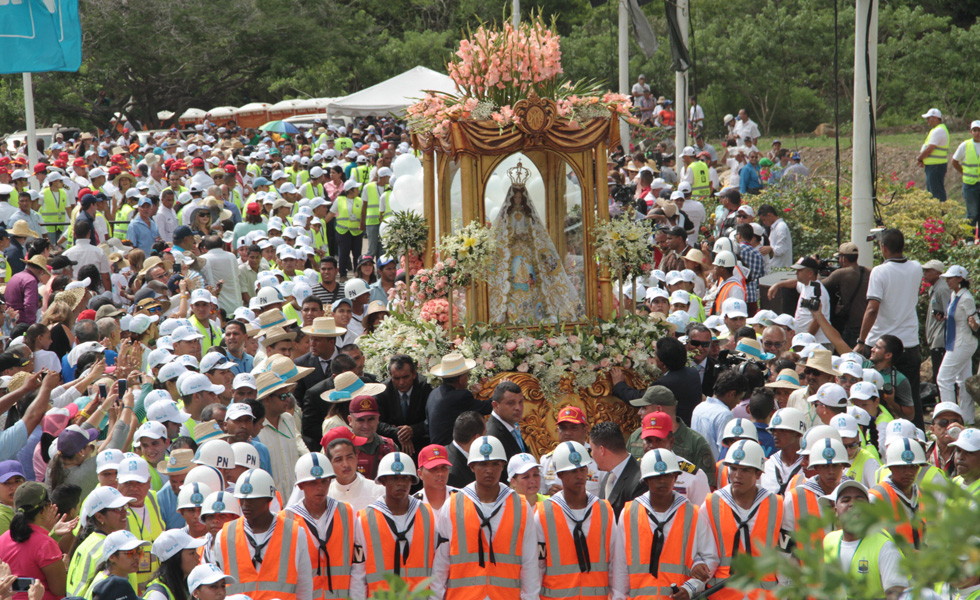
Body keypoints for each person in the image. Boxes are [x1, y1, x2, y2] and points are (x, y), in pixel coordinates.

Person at [430, 435, 540, 600]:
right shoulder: (453, 505)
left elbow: (530, 562)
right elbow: (441, 562)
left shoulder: (521, 507)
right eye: (483, 464)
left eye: (495, 463)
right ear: (472, 466)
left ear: (503, 465)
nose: (489, 470)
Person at [620, 448, 716, 599]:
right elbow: (620, 566)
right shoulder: (629, 513)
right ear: (645, 480)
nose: (662, 481)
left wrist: (690, 588)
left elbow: (710, 557)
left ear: (676, 477)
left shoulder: (693, 514)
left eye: (667, 475)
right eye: (656, 477)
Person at [536, 441, 623, 599]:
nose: (579, 475)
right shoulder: (544, 513)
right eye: (572, 471)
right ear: (560, 474)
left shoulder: (604, 510)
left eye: (582, 469)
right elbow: (536, 567)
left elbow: (615, 562)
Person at [855, 228, 924, 427]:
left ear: (883, 248)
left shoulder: (880, 271)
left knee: (872, 394)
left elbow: (872, 309)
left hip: (880, 342)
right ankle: (917, 438)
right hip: (909, 343)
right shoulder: (916, 267)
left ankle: (873, 433)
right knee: (911, 398)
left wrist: (861, 341)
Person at [214, 468, 316, 600]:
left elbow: (304, 586)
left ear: (268, 499)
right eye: (242, 499)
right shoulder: (224, 536)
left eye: (252, 499)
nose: (246, 505)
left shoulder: (295, 533)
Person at [702, 439, 782, 600]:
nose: (737, 476)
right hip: (722, 593)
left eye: (745, 470)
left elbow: (785, 554)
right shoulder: (712, 503)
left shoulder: (776, 503)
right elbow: (701, 550)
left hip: (764, 594)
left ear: (758, 473)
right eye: (733, 469)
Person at [350, 453, 436, 599]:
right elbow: (358, 573)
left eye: (405, 478)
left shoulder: (427, 514)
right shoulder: (364, 520)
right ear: (383, 480)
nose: (401, 483)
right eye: (395, 478)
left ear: (412, 480)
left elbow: (436, 565)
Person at [821, 480, 908, 600]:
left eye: (860, 500)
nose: (852, 504)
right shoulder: (829, 540)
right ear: (835, 511)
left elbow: (898, 595)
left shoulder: (885, 547)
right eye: (846, 500)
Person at [285, 453, 355, 600]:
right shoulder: (286, 519)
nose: (320, 487)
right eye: (313, 483)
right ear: (301, 485)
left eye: (324, 481)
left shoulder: (346, 513)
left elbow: (358, 564)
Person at [0, 482, 67, 600]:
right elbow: (60, 589)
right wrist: (65, 569)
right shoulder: (46, 544)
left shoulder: (2, 539)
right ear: (44, 509)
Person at [936, 265, 978, 423]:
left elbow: (974, 321)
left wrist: (975, 324)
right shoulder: (955, 295)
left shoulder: (966, 298)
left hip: (963, 343)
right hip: (956, 342)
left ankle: (949, 418)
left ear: (960, 279)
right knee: (963, 380)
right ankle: (967, 418)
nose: (947, 281)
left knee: (943, 378)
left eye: (950, 278)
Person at [425, 353, 490, 447]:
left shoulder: (433, 393)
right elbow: (487, 408)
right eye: (467, 376)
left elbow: (427, 426)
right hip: (451, 453)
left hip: (437, 451)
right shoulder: (460, 396)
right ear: (461, 379)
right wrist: (500, 390)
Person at [870, 439, 926, 549]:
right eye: (901, 467)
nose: (908, 472)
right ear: (890, 467)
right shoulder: (877, 495)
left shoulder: (920, 493)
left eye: (913, 467)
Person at [375, 354, 432, 459]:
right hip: (393, 446)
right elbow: (376, 422)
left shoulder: (426, 387)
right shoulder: (382, 391)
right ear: (390, 376)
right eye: (396, 378)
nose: (401, 383)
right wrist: (399, 433)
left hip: (422, 443)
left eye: (405, 377)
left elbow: (432, 419)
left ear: (414, 374)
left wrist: (413, 430)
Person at [767, 256, 832, 345]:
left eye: (799, 271)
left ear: (810, 273)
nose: (796, 273)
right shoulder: (806, 284)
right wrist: (778, 285)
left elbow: (817, 320)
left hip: (817, 342)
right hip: (807, 341)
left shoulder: (817, 292)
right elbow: (795, 283)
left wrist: (806, 340)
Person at [323, 428, 384, 514]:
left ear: (356, 457)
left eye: (349, 457)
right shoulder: (325, 496)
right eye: (339, 460)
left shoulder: (378, 492)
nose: (346, 464)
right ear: (329, 463)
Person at [590, 422, 645, 517]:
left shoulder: (640, 480)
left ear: (602, 450)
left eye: (592, 449)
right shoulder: (608, 477)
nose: (591, 454)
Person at [691, 369, 745, 460]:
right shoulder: (725, 415)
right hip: (715, 469)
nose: (738, 403)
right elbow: (724, 449)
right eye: (739, 398)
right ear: (732, 394)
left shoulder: (699, 407)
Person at [82, 530, 149, 599]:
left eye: (139, 552)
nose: (137, 557)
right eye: (130, 553)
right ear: (112, 557)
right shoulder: (101, 586)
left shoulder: (130, 574)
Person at [144, 530, 207, 600]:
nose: (198, 556)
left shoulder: (184, 586)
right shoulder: (157, 595)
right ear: (175, 558)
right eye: (192, 553)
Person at [760, 407, 807, 495]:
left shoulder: (808, 466)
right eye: (773, 431)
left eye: (782, 430)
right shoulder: (767, 466)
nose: (776, 435)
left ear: (798, 433)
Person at [486, 380, 528, 462]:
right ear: (496, 406)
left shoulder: (512, 426)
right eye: (511, 403)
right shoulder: (492, 436)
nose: (518, 408)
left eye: (520, 402)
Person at [952, 119, 980, 226]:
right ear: (971, 132)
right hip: (970, 184)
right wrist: (963, 172)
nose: (977, 133)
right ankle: (970, 239)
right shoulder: (965, 145)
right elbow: (954, 161)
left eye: (979, 130)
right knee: (972, 212)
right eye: (975, 130)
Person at [917, 107, 949, 201]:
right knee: (933, 192)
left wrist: (919, 158)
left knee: (936, 193)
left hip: (936, 165)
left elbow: (929, 149)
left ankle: (941, 214)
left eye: (928, 118)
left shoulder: (938, 131)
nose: (927, 121)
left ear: (935, 118)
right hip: (933, 165)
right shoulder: (937, 130)